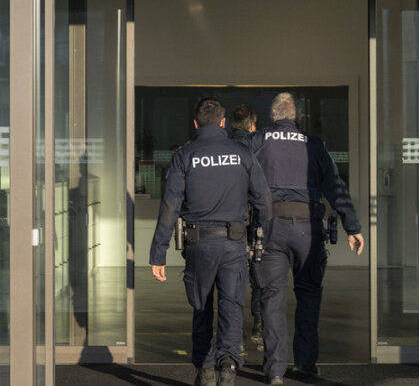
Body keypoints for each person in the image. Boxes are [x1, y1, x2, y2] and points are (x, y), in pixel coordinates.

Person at [150, 98, 271, 386]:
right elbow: (264, 201)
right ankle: (228, 370)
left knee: (202, 308)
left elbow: (170, 207)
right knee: (231, 309)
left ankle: (205, 371)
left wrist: (158, 253)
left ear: (195, 124)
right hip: (234, 244)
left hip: (198, 245)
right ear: (222, 122)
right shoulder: (241, 153)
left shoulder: (185, 155)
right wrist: (261, 234)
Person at [253, 92, 364, 385]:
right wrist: (352, 226)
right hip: (308, 230)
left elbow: (242, 179)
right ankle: (305, 364)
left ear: (272, 116)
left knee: (271, 298)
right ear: (297, 118)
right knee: (310, 296)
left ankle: (275, 370)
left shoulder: (259, 141)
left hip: (270, 229)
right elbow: (335, 186)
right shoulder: (314, 145)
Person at [228, 104, 265, 351]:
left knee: (233, 278)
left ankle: (235, 337)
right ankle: (260, 328)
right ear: (252, 126)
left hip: (233, 221)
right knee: (260, 276)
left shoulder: (226, 148)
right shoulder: (259, 147)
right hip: (257, 220)